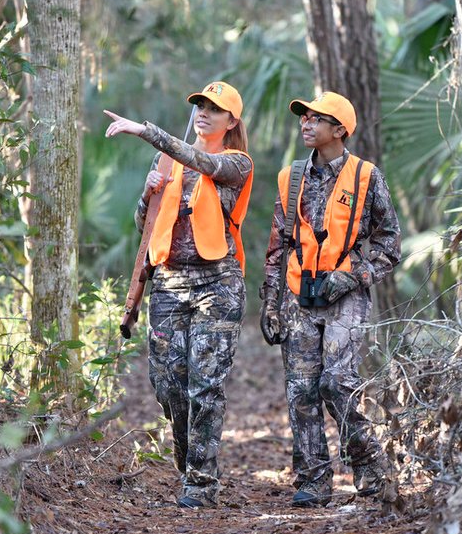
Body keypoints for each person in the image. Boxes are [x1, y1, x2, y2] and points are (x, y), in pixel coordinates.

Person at [104, 81, 253, 509]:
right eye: (200, 105)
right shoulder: (166, 161)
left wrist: (146, 131)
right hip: (169, 283)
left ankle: (202, 483)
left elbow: (199, 160)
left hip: (217, 285)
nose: (204, 112)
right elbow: (144, 224)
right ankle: (190, 459)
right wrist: (149, 192)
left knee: (206, 384)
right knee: (168, 384)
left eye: (214, 108)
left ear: (231, 121)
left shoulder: (236, 162)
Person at [259, 91, 400, 508]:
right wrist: (270, 301)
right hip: (298, 295)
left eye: (316, 119)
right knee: (301, 389)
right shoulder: (291, 177)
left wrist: (352, 275)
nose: (306, 124)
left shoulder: (365, 176)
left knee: (337, 382)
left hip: (345, 295)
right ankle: (313, 480)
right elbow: (277, 245)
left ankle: (371, 469)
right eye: (303, 117)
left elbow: (389, 242)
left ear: (340, 130)